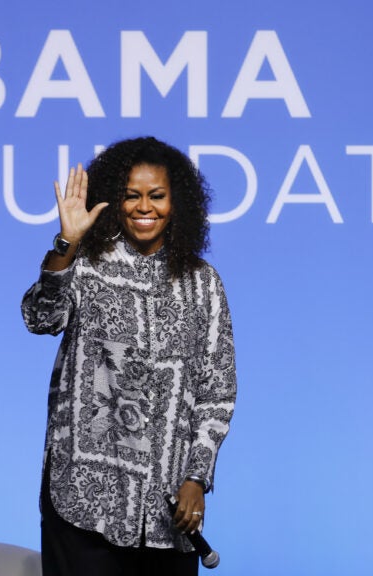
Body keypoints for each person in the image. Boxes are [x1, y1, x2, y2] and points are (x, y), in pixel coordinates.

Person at [21, 136, 237, 576]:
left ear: (177, 202)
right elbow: (40, 317)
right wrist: (66, 243)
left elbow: (218, 391)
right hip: (84, 500)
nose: (144, 207)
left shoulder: (203, 284)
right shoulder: (88, 264)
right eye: (131, 196)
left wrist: (197, 478)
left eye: (156, 196)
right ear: (115, 201)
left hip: (167, 512)